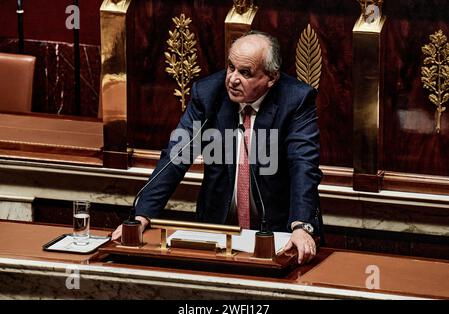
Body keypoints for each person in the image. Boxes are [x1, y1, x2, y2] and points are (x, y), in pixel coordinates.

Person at [112, 31, 323, 264]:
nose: (232, 79)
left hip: (279, 230)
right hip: (217, 228)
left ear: (271, 78)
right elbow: (176, 156)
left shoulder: (296, 100)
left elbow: (303, 165)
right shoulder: (208, 94)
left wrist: (301, 225)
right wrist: (142, 215)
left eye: (245, 73)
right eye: (231, 67)